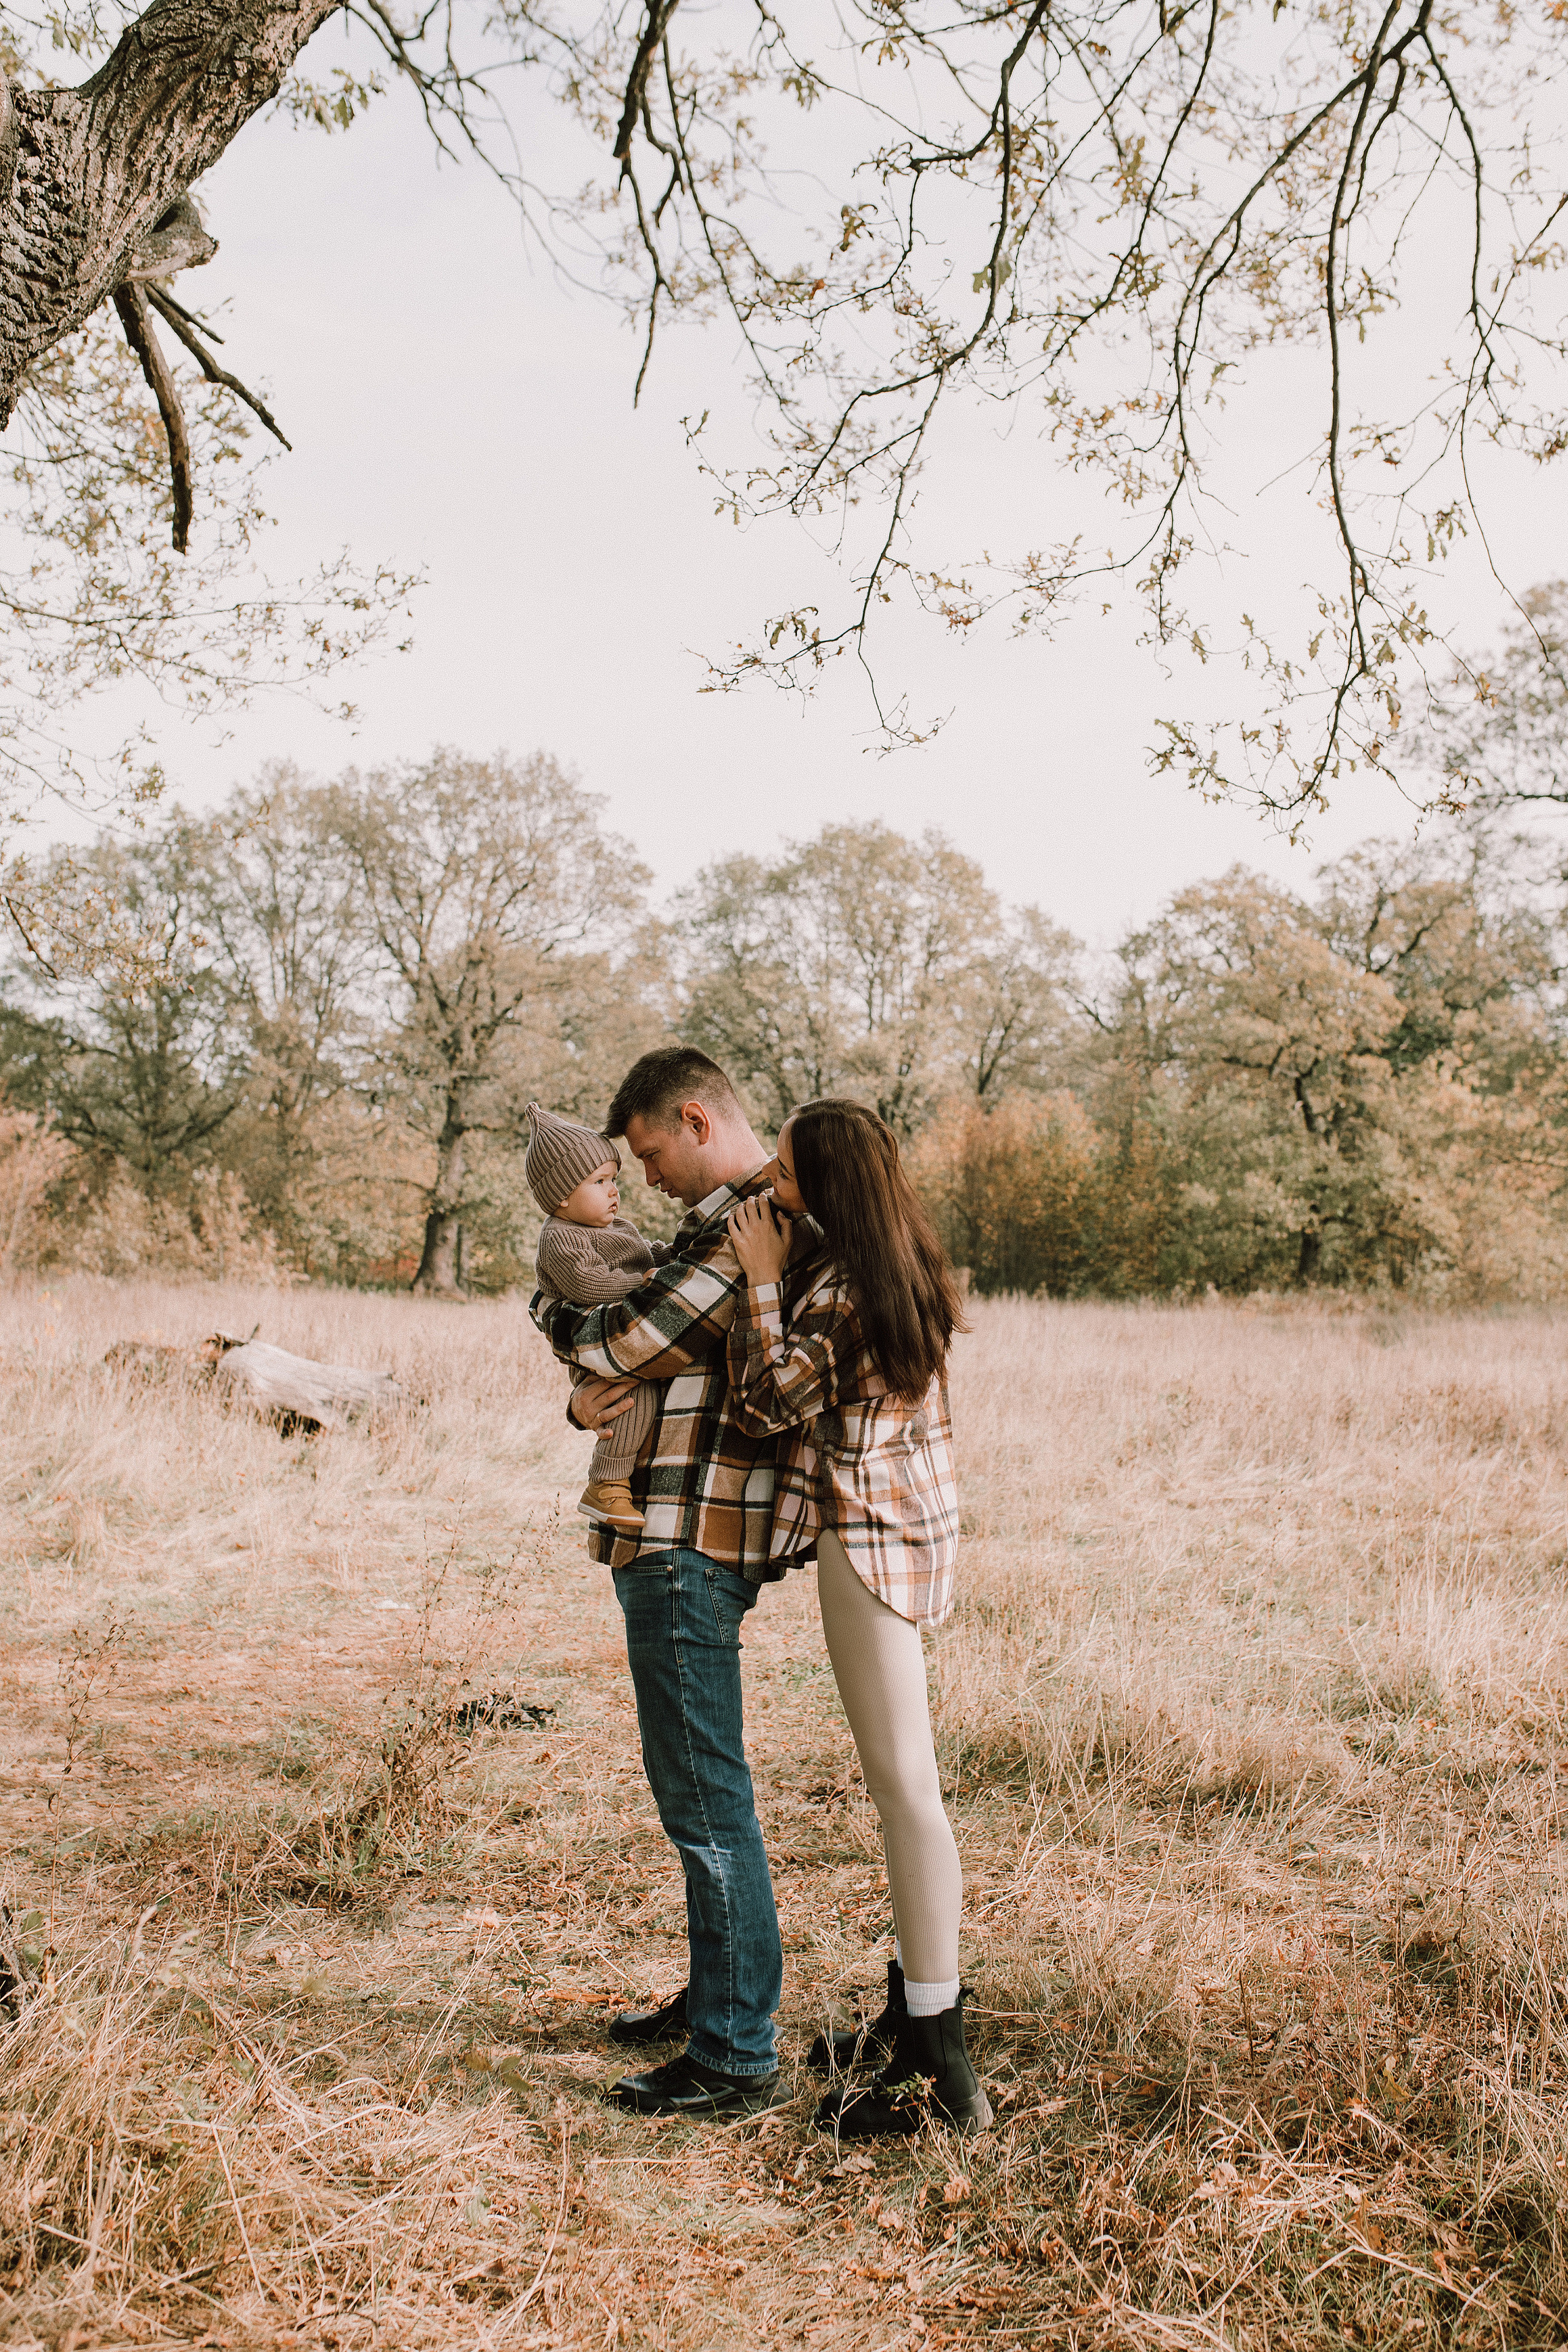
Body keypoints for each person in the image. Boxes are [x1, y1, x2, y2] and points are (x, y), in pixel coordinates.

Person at [530, 1045, 805, 2122]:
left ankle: (737, 2052)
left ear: (695, 1119)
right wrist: (579, 1363)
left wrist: (558, 1328)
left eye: (646, 1153)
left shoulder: (754, 1222)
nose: (638, 1177)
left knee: (704, 1799)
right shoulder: (708, 1227)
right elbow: (625, 1352)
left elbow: (634, 1336)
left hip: (690, 1540)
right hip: (669, 1531)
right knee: (693, 1791)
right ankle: (720, 1997)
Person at [726, 1098, 990, 2138]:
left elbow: (761, 1408)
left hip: (869, 1542)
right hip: (906, 1530)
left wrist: (756, 1283)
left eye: (785, 1177)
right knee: (905, 1787)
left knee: (904, 1790)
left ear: (829, 1190)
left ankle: (938, 2069)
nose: (770, 1192)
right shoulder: (896, 1264)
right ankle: (916, 2010)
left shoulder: (841, 1295)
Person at [522, 1100, 671, 1534]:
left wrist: (668, 1260)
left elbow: (645, 1256)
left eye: (614, 1179)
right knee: (630, 1397)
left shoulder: (615, 1229)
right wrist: (649, 1283)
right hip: (595, 1350)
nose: (614, 1191)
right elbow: (589, 1285)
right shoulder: (560, 1237)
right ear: (562, 1194)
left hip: (618, 1328)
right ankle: (606, 1483)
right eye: (600, 1181)